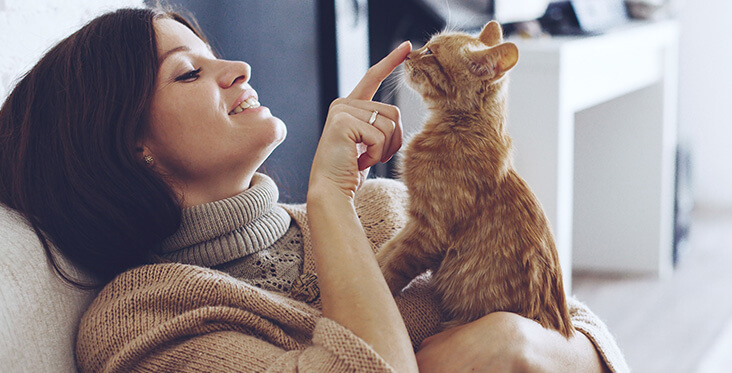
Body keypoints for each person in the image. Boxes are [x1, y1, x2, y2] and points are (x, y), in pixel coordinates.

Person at [0, 6, 629, 372]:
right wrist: (329, 195)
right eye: (189, 73)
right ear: (131, 145)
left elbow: (589, 337)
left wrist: (519, 345)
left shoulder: (385, 208)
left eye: (213, 53)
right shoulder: (144, 315)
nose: (239, 68)